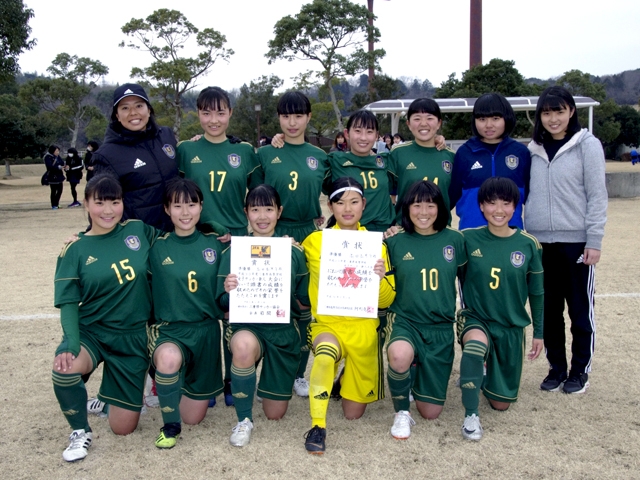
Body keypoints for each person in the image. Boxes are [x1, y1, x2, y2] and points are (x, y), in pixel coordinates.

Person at [52, 174, 157, 461]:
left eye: (115, 201)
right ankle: (79, 431)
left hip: (132, 337)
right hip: (93, 331)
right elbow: (69, 301)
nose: (108, 210)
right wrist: (70, 342)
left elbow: (176, 240)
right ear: (86, 204)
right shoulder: (75, 248)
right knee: (65, 367)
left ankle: (107, 399)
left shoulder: (138, 231)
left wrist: (216, 230)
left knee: (123, 429)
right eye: (99, 203)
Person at [177, 86, 260, 406]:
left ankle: (231, 381)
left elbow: (258, 198)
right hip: (194, 241)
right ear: (197, 113)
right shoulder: (186, 150)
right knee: (200, 312)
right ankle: (203, 381)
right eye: (206, 112)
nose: (213, 119)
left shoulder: (247, 151)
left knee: (232, 313)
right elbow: (176, 195)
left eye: (220, 112)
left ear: (230, 114)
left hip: (235, 241)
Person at [301, 177, 395, 454]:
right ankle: (318, 425)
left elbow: (388, 299)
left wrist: (379, 278)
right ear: (330, 206)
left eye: (354, 202)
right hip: (328, 326)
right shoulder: (314, 242)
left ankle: (341, 380)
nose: (347, 209)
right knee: (326, 352)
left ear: (364, 205)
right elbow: (289, 263)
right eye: (340, 203)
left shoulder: (376, 245)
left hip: (364, 331)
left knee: (353, 413)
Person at [525, 86, 607, 394]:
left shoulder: (587, 145)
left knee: (579, 310)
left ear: (571, 111)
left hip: (575, 242)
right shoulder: (532, 149)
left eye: (559, 111)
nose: (553, 118)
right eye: (547, 112)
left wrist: (594, 239)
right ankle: (556, 368)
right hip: (539, 243)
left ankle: (579, 371)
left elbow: (597, 195)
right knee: (548, 311)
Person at [219, 184, 311, 447]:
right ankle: (244, 420)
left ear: (279, 212)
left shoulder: (293, 252)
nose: (262, 216)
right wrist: (229, 290)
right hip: (248, 327)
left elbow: (303, 303)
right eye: (255, 209)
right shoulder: (234, 251)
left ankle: (259, 385)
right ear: (246, 212)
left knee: (275, 413)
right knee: (243, 346)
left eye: (268, 209)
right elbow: (223, 305)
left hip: (282, 332)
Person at [253, 92, 330, 396]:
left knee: (304, 307)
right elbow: (255, 197)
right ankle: (265, 370)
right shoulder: (265, 154)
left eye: (299, 116)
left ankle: (299, 374)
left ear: (309, 117)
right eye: (286, 116)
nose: (292, 122)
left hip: (308, 234)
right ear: (279, 119)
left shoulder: (321, 156)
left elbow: (338, 193)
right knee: (272, 305)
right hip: (274, 234)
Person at [457, 177, 544, 441]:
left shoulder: (528, 244)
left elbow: (537, 292)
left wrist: (539, 332)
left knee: (501, 404)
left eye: (506, 203)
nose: (498, 209)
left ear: (516, 207)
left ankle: (485, 375)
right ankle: (471, 415)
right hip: (476, 319)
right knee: (474, 347)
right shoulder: (466, 239)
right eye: (491, 202)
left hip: (510, 327)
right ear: (481, 206)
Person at [383, 180, 466, 439]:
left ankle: (417, 372)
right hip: (405, 321)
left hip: (439, 327)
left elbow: (468, 283)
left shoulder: (455, 240)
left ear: (440, 208)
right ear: (406, 208)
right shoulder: (395, 242)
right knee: (398, 355)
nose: (423, 212)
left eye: (430, 205)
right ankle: (401, 412)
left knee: (430, 412)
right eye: (417, 205)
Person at [147, 178, 226, 449]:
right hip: (170, 330)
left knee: (193, 417)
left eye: (191, 204)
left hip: (206, 332)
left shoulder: (215, 245)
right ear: (167, 209)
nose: (185, 212)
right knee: (169, 359)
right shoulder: (156, 245)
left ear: (201, 207)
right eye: (177, 205)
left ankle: (171, 388)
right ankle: (169, 426)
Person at [91, 83, 181, 232]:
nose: (133, 112)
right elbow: (99, 204)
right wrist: (90, 235)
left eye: (139, 106)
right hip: (139, 241)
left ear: (149, 109)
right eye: (125, 108)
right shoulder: (107, 155)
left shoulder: (166, 136)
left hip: (175, 236)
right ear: (117, 116)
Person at [449, 92, 531, 230]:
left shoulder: (520, 153)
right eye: (482, 119)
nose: (488, 125)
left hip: (510, 234)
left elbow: (531, 197)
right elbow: (451, 196)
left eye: (495, 118)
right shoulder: (465, 152)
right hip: (472, 234)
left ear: (506, 118)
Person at [326, 110, 395, 232]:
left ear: (376, 135)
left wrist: (436, 140)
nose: (363, 137)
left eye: (369, 132)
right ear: (347, 133)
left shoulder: (387, 160)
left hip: (384, 232)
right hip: (349, 232)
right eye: (357, 131)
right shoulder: (334, 161)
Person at [389, 98, 455, 225]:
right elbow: (383, 190)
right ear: (408, 124)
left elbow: (453, 196)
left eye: (430, 118)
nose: (423, 123)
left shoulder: (451, 156)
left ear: (439, 123)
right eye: (417, 118)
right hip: (405, 230)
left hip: (441, 232)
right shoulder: (398, 153)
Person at [44, 145, 65, 209]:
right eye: (56, 151)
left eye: (58, 151)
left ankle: (57, 203)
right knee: (53, 191)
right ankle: (53, 204)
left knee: (60, 190)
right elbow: (49, 166)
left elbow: (62, 163)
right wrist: (58, 167)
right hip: (52, 176)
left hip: (59, 175)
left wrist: (64, 166)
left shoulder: (57, 157)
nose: (58, 152)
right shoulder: (47, 157)